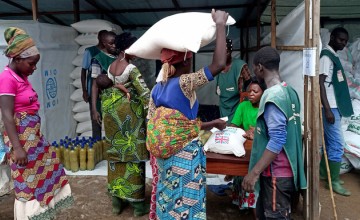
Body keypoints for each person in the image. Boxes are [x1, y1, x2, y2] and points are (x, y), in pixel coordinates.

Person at [146, 9, 229, 220]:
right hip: (184, 157)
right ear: (186, 61)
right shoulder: (185, 83)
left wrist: (211, 124)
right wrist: (220, 24)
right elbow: (219, 64)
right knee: (186, 203)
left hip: (163, 158)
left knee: (170, 199)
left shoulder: (156, 89)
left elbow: (176, 126)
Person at [0, 27, 73, 219]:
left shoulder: (21, 76)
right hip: (21, 141)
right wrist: (17, 148)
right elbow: (7, 115)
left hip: (33, 138)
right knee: (28, 181)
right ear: (17, 59)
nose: (34, 69)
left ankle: (44, 213)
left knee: (49, 169)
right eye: (31, 64)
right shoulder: (7, 78)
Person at [242, 46, 306, 220]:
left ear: (260, 67)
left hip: (276, 174)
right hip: (287, 171)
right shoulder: (289, 91)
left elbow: (277, 139)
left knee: (275, 216)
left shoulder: (272, 97)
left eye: (255, 68)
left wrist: (253, 173)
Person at [96, 32, 150, 217]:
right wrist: (153, 113)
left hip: (113, 121)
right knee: (133, 159)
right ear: (127, 49)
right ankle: (137, 207)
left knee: (116, 158)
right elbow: (144, 94)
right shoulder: (131, 68)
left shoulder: (110, 67)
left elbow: (106, 86)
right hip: (130, 121)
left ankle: (117, 203)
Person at [319, 27, 353, 196]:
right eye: (341, 40)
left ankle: (324, 174)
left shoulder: (332, 54)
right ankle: (334, 181)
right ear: (332, 37)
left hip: (334, 105)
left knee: (329, 141)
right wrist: (327, 110)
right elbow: (320, 84)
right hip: (330, 107)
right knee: (338, 144)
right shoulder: (326, 56)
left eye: (345, 41)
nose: (344, 43)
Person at [228, 77, 266, 219]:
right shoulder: (243, 106)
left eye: (255, 91)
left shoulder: (267, 107)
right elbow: (234, 126)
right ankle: (243, 203)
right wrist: (242, 133)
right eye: (249, 91)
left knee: (253, 176)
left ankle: (255, 210)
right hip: (244, 147)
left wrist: (256, 132)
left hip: (261, 150)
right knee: (239, 170)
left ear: (263, 93)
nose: (250, 94)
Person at [81, 30, 108, 139]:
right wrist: (84, 90)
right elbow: (84, 71)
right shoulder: (90, 51)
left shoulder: (111, 52)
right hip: (94, 90)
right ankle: (96, 141)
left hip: (108, 89)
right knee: (95, 116)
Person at [216, 38, 252, 122]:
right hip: (223, 110)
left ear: (230, 52)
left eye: (225, 52)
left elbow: (250, 87)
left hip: (238, 109)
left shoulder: (240, 66)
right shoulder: (217, 68)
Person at [90, 31, 117, 135]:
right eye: (111, 43)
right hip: (107, 100)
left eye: (115, 43)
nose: (114, 46)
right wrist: (94, 109)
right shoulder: (98, 59)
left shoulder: (118, 56)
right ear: (104, 43)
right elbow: (95, 85)